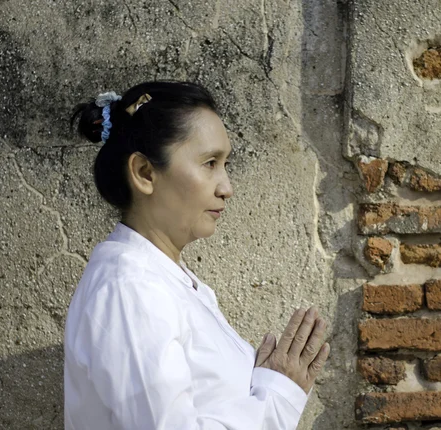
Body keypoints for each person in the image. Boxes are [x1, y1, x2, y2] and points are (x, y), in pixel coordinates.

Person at [64, 80, 330, 429]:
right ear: (145, 173)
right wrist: (277, 397)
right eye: (209, 163)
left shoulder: (164, 280)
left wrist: (267, 388)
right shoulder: (130, 291)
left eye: (225, 163)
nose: (227, 188)